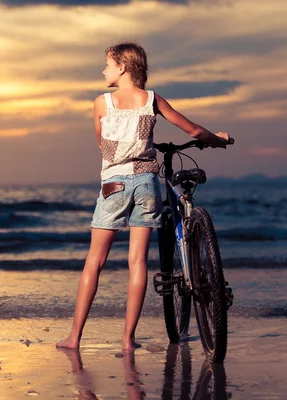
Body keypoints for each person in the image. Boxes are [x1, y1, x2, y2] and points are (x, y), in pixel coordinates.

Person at [56, 42, 230, 352]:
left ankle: (74, 339)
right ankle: (127, 340)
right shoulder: (153, 100)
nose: (104, 70)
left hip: (114, 185)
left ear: (122, 68)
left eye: (107, 64)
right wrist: (217, 139)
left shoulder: (101, 103)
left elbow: (102, 144)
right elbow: (192, 131)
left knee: (94, 262)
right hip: (147, 183)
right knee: (137, 262)